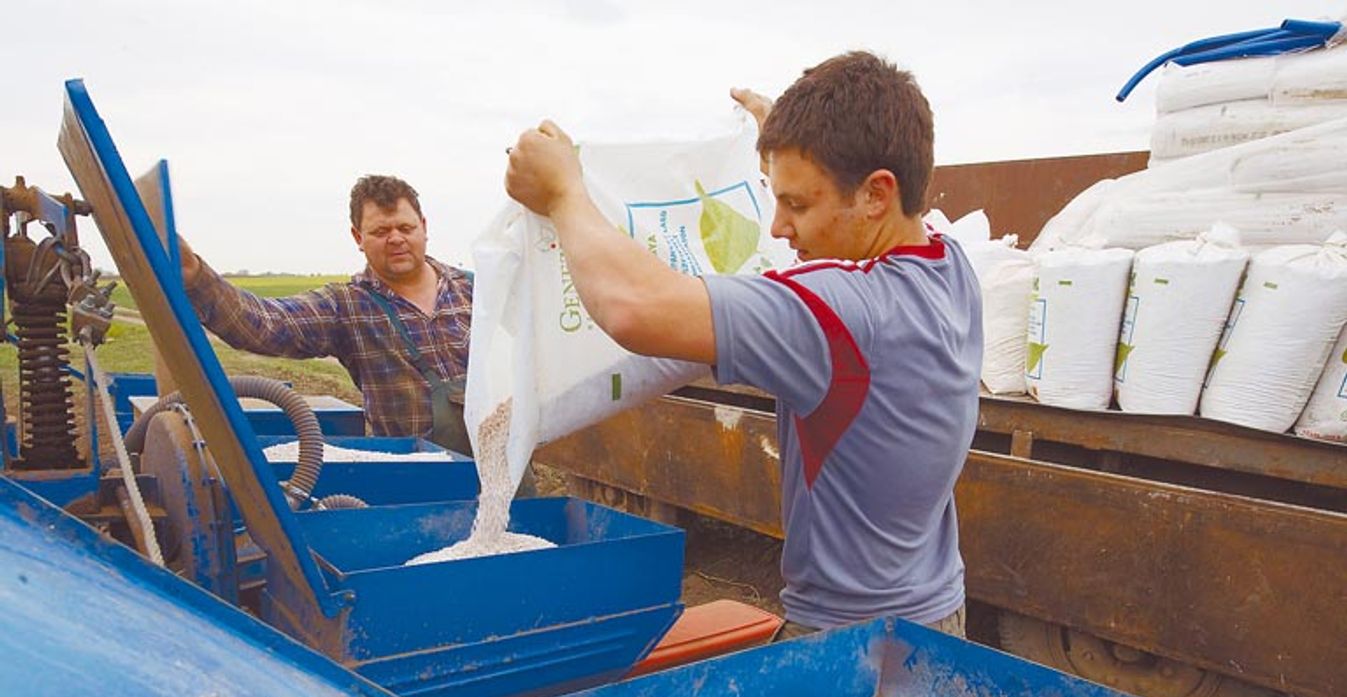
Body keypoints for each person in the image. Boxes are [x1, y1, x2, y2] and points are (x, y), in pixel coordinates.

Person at [504, 51, 982, 638]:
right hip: (937, 610)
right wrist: (789, 141)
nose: (778, 226)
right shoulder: (947, 264)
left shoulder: (839, 313)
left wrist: (563, 194)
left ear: (876, 195)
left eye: (798, 204)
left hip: (854, 640)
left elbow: (634, 307)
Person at [179, 174, 478, 455]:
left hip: (507, 473)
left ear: (424, 226)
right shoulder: (347, 306)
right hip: (428, 486)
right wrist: (194, 275)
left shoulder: (478, 290)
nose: (396, 239)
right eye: (380, 231)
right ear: (357, 237)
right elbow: (266, 323)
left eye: (405, 228)